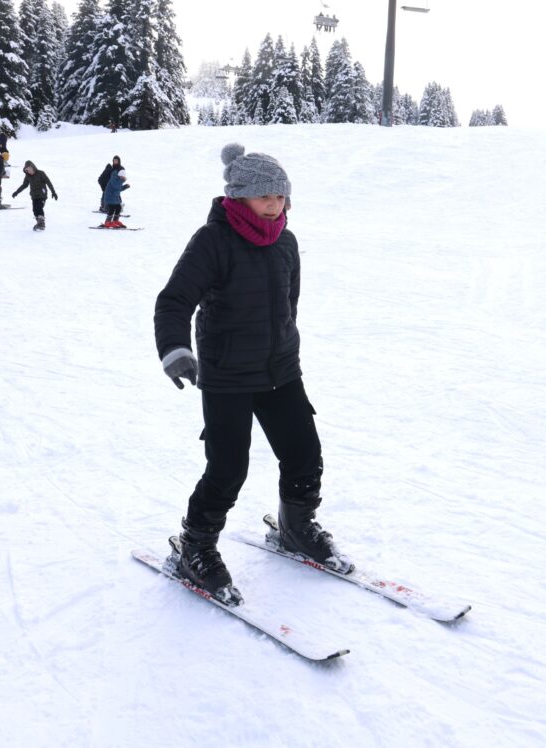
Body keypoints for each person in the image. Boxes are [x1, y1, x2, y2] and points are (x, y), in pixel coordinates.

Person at [153, 143, 350, 606]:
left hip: (281, 369)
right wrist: (176, 350)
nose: (275, 205)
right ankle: (195, 546)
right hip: (227, 375)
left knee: (305, 454)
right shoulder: (213, 241)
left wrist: (283, 341)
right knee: (227, 468)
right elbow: (174, 300)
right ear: (239, 196)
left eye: (281, 197)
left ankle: (295, 527)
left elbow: (289, 303)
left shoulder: (286, 241)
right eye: (266, 196)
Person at [12, 160, 58, 230]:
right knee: (35, 210)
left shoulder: (40, 173)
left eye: (29, 168)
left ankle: (41, 224)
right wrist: (16, 192)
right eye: (27, 170)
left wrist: (53, 192)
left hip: (42, 194)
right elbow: (24, 185)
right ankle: (39, 223)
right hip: (34, 195)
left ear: (33, 167)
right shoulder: (27, 176)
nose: (28, 171)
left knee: (39, 208)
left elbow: (48, 182)